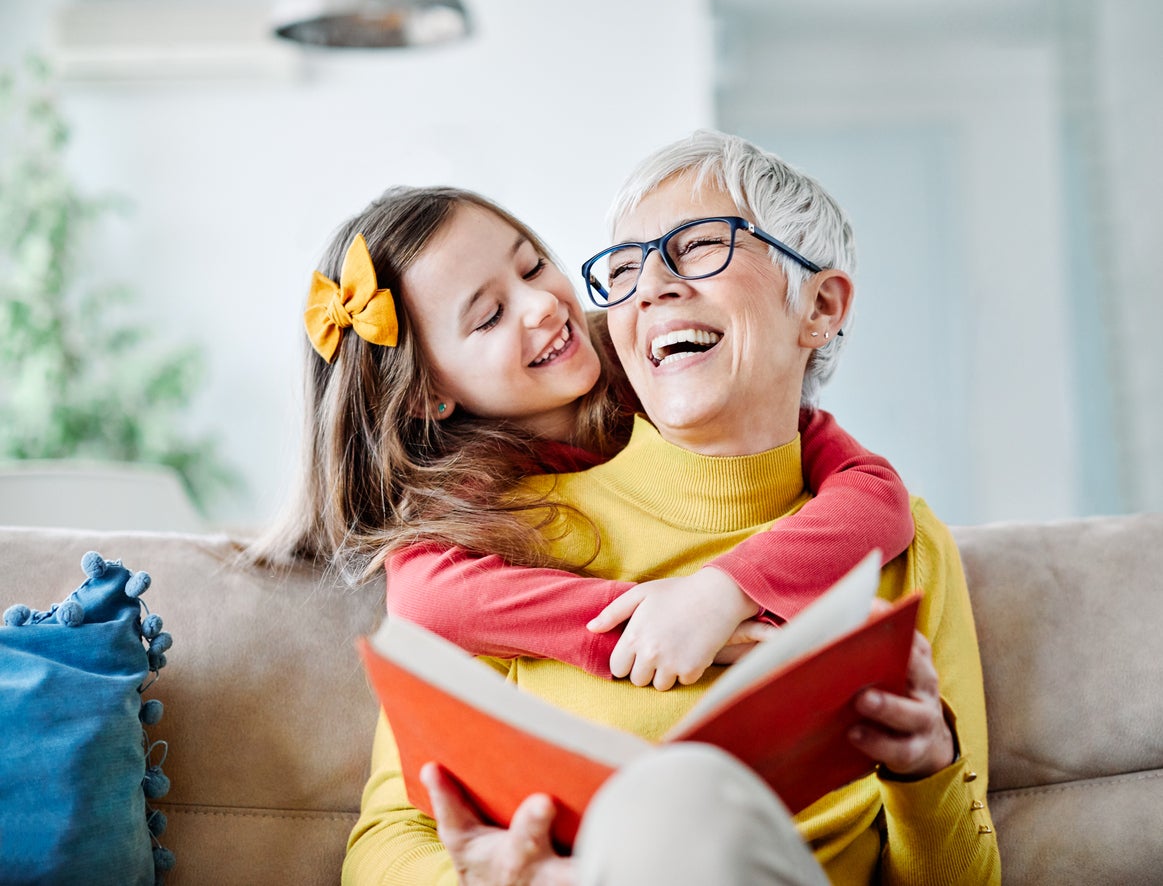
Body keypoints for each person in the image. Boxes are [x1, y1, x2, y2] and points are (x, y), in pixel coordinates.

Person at [342, 132, 1000, 884]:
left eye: (697, 248)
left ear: (819, 306)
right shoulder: (493, 541)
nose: (650, 285)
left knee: (682, 794)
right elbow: (385, 846)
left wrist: (925, 772)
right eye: (624, 268)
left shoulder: (902, 546)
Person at [254, 184, 915, 691]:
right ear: (429, 394)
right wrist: (657, 625)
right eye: (490, 316)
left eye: (533, 266)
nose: (541, 304)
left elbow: (876, 497)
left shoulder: (658, 362)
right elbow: (427, 598)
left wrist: (722, 591)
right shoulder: (470, 494)